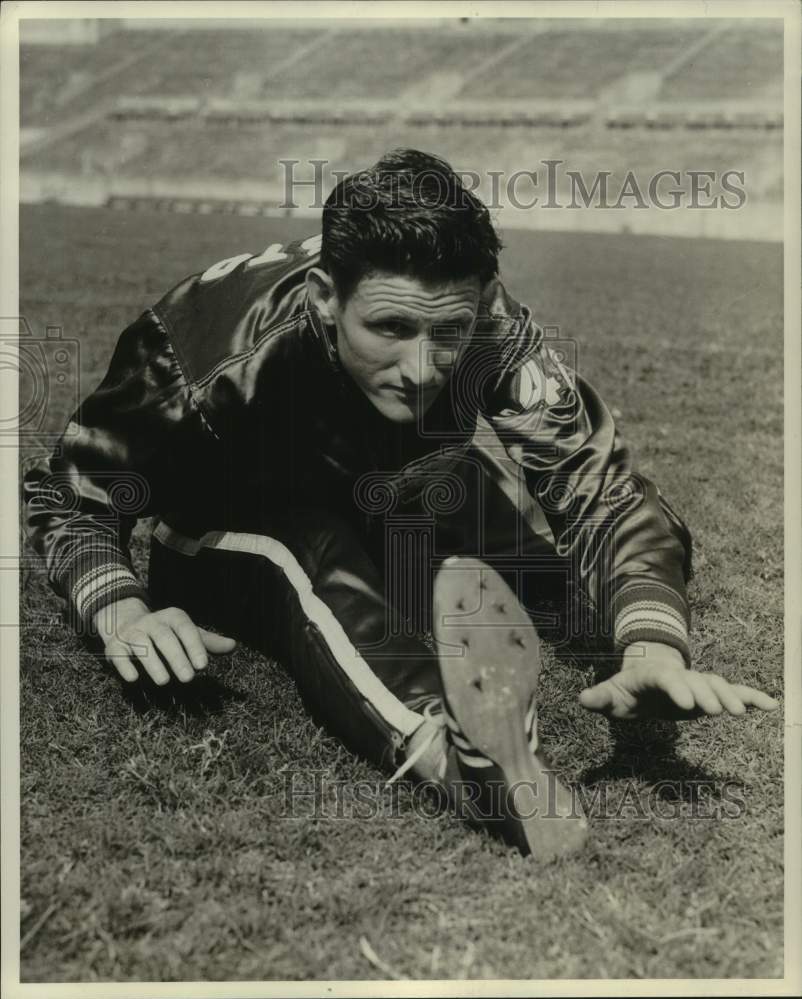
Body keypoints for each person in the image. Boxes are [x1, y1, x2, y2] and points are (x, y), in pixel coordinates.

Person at [23, 149, 778, 859]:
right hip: (232, 526)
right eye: (389, 328)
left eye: (447, 331)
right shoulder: (209, 354)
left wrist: (651, 647)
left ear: (479, 302)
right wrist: (120, 607)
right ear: (325, 299)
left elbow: (600, 489)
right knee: (308, 547)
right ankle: (460, 753)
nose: (423, 367)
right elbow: (71, 490)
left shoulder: (490, 331)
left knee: (511, 538)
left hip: (388, 490)